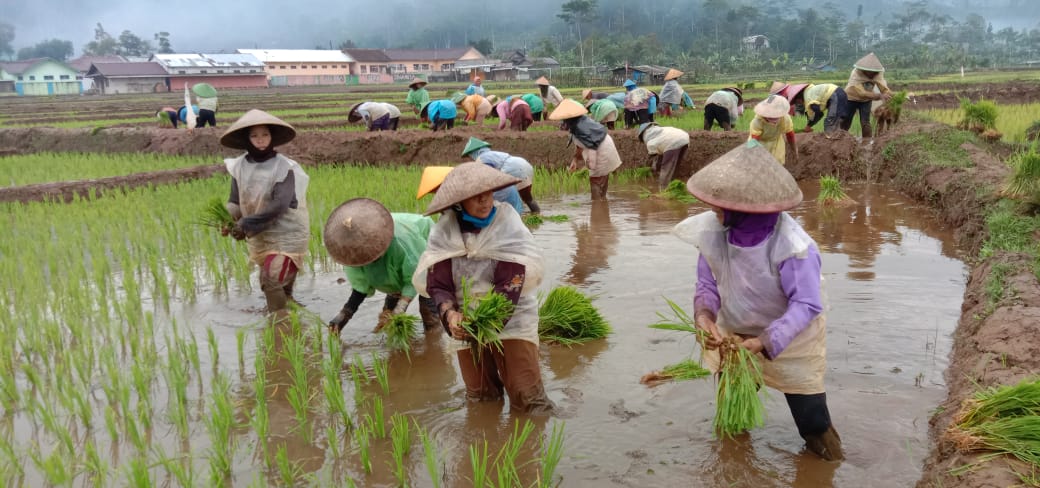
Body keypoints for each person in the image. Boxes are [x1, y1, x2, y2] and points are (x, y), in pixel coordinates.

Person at [673, 140, 843, 461]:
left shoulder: (793, 247)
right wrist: (705, 317)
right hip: (735, 338)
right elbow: (706, 283)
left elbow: (806, 304)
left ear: (743, 208)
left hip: (792, 337)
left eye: (721, 205)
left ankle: (830, 462)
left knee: (812, 419)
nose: (713, 209)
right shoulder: (713, 232)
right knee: (732, 415)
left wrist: (766, 340)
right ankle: (735, 467)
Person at [412, 162, 554, 414]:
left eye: (487, 193)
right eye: (475, 196)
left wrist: (484, 321)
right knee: (480, 396)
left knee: (527, 397)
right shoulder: (445, 231)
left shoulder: (506, 223)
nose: (484, 200)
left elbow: (511, 281)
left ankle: (529, 451)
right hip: (464, 323)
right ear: (457, 202)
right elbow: (438, 284)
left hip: (511, 319)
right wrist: (449, 313)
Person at [220, 110, 310, 313]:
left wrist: (245, 224)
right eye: (254, 136)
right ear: (247, 139)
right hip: (259, 234)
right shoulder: (239, 166)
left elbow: (280, 204)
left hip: (287, 233)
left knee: (270, 280)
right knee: (276, 284)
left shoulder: (284, 167)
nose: (260, 140)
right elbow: (235, 201)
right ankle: (289, 317)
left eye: (265, 135)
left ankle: (279, 326)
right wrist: (227, 218)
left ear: (272, 138)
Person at [324, 198, 440, 335]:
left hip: (425, 254)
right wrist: (344, 315)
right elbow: (361, 287)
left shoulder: (402, 244)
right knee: (388, 317)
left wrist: (401, 308)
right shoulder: (351, 253)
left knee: (429, 311)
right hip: (398, 265)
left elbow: (415, 277)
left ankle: (434, 339)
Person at [550, 99, 623, 200]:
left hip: (601, 149)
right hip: (603, 145)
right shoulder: (577, 123)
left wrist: (591, 163)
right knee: (601, 178)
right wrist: (575, 160)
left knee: (596, 181)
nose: (562, 123)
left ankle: (597, 207)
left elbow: (591, 144)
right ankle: (602, 203)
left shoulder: (580, 126)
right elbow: (580, 145)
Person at [461, 137, 540, 213]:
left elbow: (489, 176)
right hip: (524, 164)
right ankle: (536, 213)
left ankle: (510, 214)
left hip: (512, 169)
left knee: (499, 195)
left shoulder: (481, 158)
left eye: (470, 155)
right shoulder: (492, 154)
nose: (471, 157)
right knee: (527, 198)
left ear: (474, 152)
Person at [842, 53, 892, 139]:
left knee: (865, 122)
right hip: (851, 99)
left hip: (865, 100)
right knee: (846, 120)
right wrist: (880, 96)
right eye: (871, 72)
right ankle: (841, 138)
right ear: (864, 70)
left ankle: (867, 142)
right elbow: (862, 93)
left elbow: (884, 88)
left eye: (875, 72)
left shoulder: (877, 74)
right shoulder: (856, 74)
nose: (873, 74)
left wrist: (890, 95)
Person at [637, 122, 690, 190]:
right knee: (675, 166)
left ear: (642, 135)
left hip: (672, 143)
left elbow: (653, 157)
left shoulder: (650, 143)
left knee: (665, 168)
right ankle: (673, 185)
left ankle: (663, 190)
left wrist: (650, 167)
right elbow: (661, 155)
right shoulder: (662, 131)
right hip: (685, 138)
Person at [748, 95, 798, 165]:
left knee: (777, 164)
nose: (773, 115)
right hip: (760, 142)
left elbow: (790, 135)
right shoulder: (757, 121)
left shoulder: (785, 119)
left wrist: (794, 151)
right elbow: (754, 141)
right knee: (758, 163)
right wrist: (751, 154)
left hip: (776, 142)